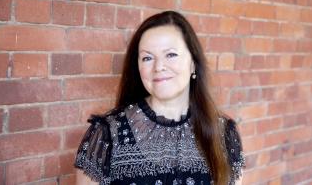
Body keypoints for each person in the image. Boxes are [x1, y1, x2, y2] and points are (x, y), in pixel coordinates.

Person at [74, 11, 245, 185]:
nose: (159, 67)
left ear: (193, 63)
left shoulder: (224, 134)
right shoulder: (106, 134)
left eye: (170, 54)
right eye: (147, 58)